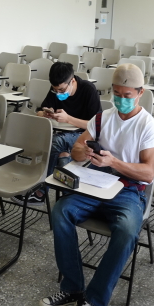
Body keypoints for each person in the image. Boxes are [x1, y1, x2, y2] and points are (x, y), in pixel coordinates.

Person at [39, 63, 154, 306]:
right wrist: (83, 153)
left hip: (128, 190)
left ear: (140, 93)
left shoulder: (147, 126)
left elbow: (149, 172)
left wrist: (114, 162)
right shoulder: (102, 118)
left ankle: (92, 299)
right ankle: (72, 287)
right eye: (116, 93)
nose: (120, 99)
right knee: (61, 211)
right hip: (96, 183)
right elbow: (77, 148)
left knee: (127, 230)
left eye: (127, 95)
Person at [13, 61, 101, 205]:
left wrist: (68, 119)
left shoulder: (88, 90)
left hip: (83, 135)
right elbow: (40, 110)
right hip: (60, 132)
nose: (58, 93)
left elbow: (96, 126)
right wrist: (45, 114)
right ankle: (68, 195)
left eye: (61, 89)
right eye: (55, 90)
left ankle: (41, 191)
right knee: (61, 154)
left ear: (72, 81)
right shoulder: (55, 89)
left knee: (57, 143)